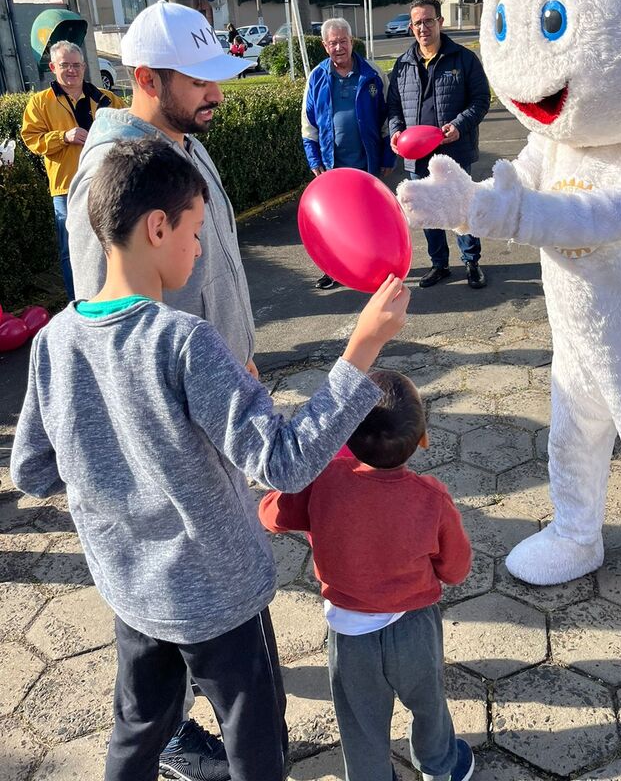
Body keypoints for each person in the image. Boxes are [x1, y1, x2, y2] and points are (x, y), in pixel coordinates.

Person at [11, 137, 410, 781]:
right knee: (255, 744)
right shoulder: (184, 342)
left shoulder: (55, 339)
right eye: (195, 231)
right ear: (158, 226)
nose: (200, 250)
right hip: (217, 597)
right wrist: (360, 349)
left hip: (132, 590)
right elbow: (284, 462)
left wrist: (122, 454)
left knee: (139, 728)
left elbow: (31, 469)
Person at [66, 0, 259, 777]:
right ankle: (170, 731)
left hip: (214, 396)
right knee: (171, 585)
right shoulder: (111, 182)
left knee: (190, 591)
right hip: (174, 427)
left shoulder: (179, 141)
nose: (217, 93)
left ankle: (165, 716)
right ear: (144, 78)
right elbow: (105, 326)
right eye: (200, 79)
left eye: (218, 76)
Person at [259, 369, 474, 781]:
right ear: (423, 439)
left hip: (350, 634)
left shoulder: (322, 482)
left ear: (343, 438)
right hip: (414, 627)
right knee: (429, 700)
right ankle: (440, 766)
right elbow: (456, 569)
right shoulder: (432, 497)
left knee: (360, 724)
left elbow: (270, 516)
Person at [388, 0, 490, 290]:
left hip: (454, 152)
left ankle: (472, 263)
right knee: (427, 211)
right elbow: (393, 106)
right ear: (411, 27)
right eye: (417, 22)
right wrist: (396, 131)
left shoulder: (463, 58)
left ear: (440, 22)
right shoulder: (403, 64)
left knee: (461, 208)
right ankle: (439, 265)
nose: (423, 28)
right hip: (416, 156)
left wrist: (459, 125)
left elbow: (481, 100)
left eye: (428, 21)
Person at [20, 40, 123, 301]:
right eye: (65, 65)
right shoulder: (40, 103)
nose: (71, 70)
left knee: (116, 244)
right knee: (72, 251)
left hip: (107, 184)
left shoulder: (105, 98)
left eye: (76, 65)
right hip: (66, 189)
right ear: (53, 67)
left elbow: (129, 123)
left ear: (84, 67)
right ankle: (78, 305)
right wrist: (62, 137)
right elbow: (32, 139)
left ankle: (114, 299)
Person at [302, 17, 396, 290]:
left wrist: (388, 156)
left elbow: (387, 118)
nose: (339, 47)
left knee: (370, 219)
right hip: (333, 167)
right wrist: (314, 158)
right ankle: (334, 271)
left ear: (352, 41)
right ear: (324, 45)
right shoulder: (317, 77)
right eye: (333, 43)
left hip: (367, 163)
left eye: (343, 41)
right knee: (334, 223)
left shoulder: (372, 73)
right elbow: (308, 124)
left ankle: (375, 268)